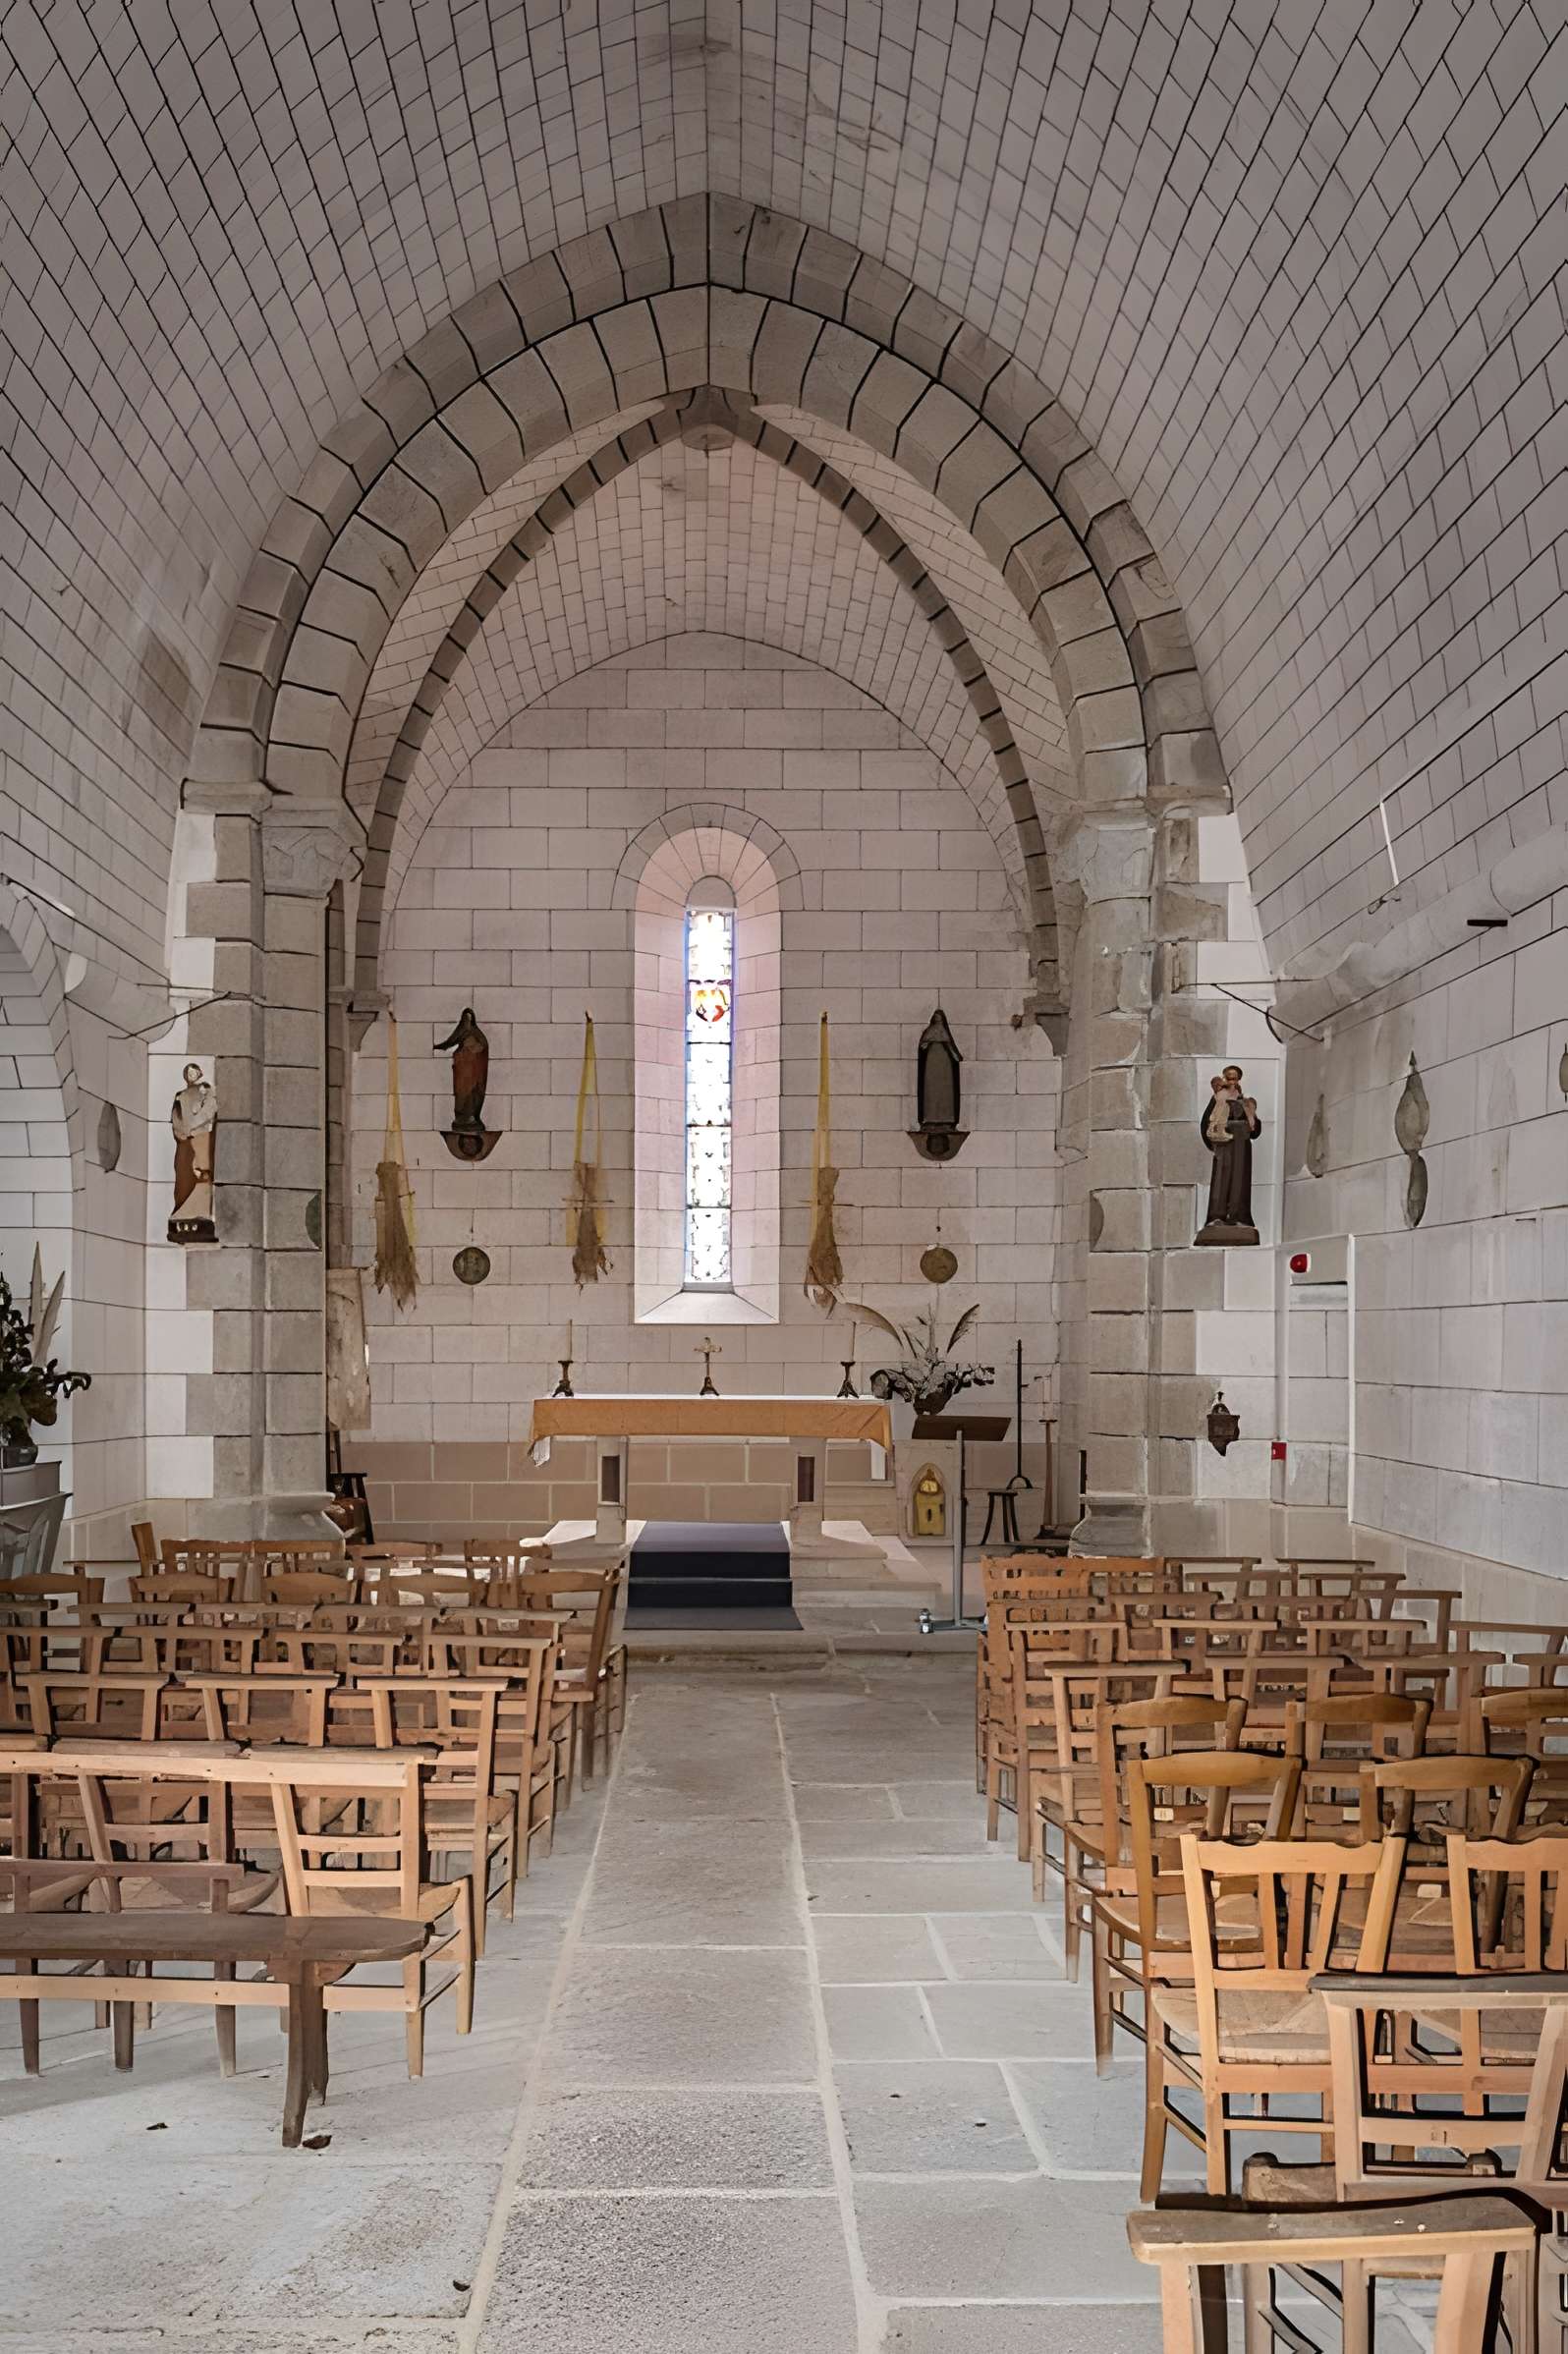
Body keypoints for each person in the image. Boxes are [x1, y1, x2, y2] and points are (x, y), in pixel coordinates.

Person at [1197, 1065, 1260, 1242]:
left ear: (1238, 1080)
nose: (1232, 1082)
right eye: (1229, 1078)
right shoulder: (1218, 1099)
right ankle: (1217, 1216)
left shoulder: (1245, 1102)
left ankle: (1239, 1216)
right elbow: (1206, 1123)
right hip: (1224, 1147)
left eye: (1235, 1079)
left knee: (1239, 1180)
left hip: (1241, 1147)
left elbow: (1255, 1128)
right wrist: (1214, 1141)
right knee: (1221, 1180)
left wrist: (1251, 1120)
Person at [169, 1062, 217, 1241]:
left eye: (193, 1072)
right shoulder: (180, 1096)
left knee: (202, 1174)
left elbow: (209, 1112)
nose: (191, 1075)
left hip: (202, 1137)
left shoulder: (206, 1091)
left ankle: (201, 1213)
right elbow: (176, 1117)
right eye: (188, 1073)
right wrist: (182, 1131)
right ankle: (182, 1213)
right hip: (185, 1141)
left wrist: (194, 1126)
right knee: (184, 1174)